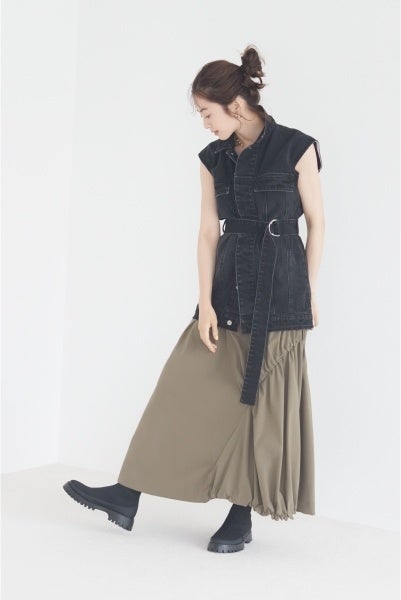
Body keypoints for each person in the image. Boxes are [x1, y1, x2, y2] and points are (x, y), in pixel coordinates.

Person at [63, 44, 325, 554]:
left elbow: (316, 224)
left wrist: (310, 293)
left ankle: (240, 517)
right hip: (226, 293)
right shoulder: (213, 160)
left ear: (235, 105)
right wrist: (204, 302)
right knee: (180, 386)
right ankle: (127, 493)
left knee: (259, 408)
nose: (204, 123)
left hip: (281, 295)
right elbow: (208, 233)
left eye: (207, 112)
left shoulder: (297, 147)